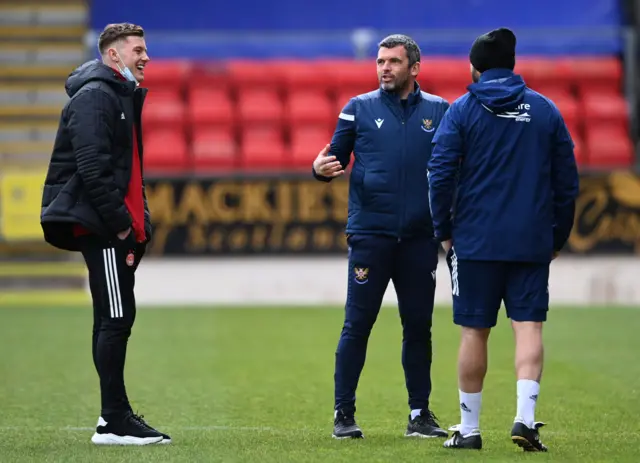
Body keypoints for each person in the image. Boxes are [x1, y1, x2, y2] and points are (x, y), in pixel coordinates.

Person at [427, 28, 579, 451]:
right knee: (529, 327)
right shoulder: (546, 111)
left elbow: (438, 174)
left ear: (474, 69)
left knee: (474, 332)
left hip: (474, 243)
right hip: (531, 241)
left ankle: (469, 430)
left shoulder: (461, 111)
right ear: (512, 66)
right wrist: (557, 237)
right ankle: (525, 421)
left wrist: (444, 231)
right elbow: (567, 183)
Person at [312, 34, 450, 440]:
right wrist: (318, 169)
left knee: (419, 327)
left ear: (414, 68)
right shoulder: (357, 108)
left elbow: (455, 168)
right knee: (357, 325)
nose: (384, 68)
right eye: (380, 61)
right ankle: (344, 415)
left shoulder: (441, 112)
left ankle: (419, 414)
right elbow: (330, 160)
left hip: (420, 239)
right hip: (371, 236)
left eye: (393, 61)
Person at [40, 23, 171, 446]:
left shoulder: (115, 94)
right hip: (103, 227)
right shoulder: (96, 96)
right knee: (115, 319)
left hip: (114, 226)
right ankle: (114, 420)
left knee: (114, 318)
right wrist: (119, 223)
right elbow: (94, 170)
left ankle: (112, 419)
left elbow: (126, 169)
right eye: (138, 49)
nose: (146, 57)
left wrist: (140, 219)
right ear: (114, 55)